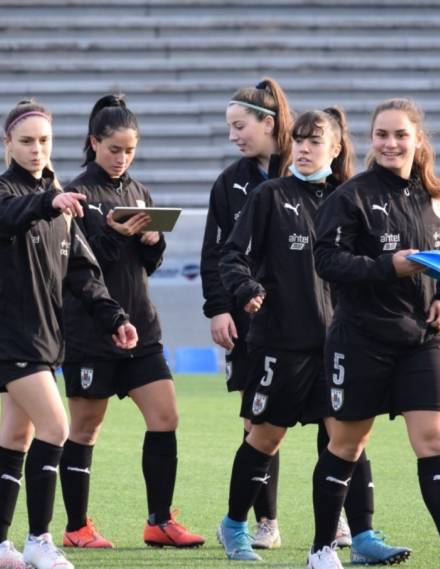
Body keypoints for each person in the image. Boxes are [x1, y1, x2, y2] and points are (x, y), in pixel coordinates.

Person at [308, 98, 440, 569]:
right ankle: (321, 551)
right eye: (382, 134)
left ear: (418, 139)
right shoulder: (351, 196)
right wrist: (389, 266)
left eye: (400, 134)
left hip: (422, 340)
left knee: (435, 443)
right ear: (371, 140)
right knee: (347, 445)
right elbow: (326, 261)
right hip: (360, 338)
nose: (391, 143)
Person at [216, 108, 410, 565]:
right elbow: (231, 256)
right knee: (265, 439)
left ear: (337, 148)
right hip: (280, 342)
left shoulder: (350, 199)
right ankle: (234, 526)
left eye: (314, 141)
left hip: (342, 344)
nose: (303, 148)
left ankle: (361, 536)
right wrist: (246, 288)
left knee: (349, 439)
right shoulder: (269, 196)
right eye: (298, 140)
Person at [0, 99, 138, 569]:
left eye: (43, 141)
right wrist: (49, 201)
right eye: (26, 141)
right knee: (57, 428)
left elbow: (83, 273)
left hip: (46, 337)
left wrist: (116, 318)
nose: (36, 150)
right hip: (11, 335)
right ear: (7, 143)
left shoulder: (62, 198)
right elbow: (4, 215)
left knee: (15, 439)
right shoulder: (0, 192)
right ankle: (39, 540)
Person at [59, 94, 204, 550]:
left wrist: (152, 240)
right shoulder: (77, 195)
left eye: (131, 150)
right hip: (91, 331)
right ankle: (77, 526)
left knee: (166, 416)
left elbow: (145, 266)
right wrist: (110, 232)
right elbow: (75, 268)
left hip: (141, 327)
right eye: (115, 148)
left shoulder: (138, 191)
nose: (123, 158)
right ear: (94, 143)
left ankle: (159, 521)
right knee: (85, 429)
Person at [200, 78, 296, 548]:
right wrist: (219, 308)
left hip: (308, 320)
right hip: (250, 322)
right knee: (256, 424)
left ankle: (340, 522)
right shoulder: (230, 181)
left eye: (240, 126)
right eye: (230, 127)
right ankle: (267, 523)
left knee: (336, 420)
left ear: (269, 123)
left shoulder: (307, 169)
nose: (234, 136)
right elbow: (213, 252)